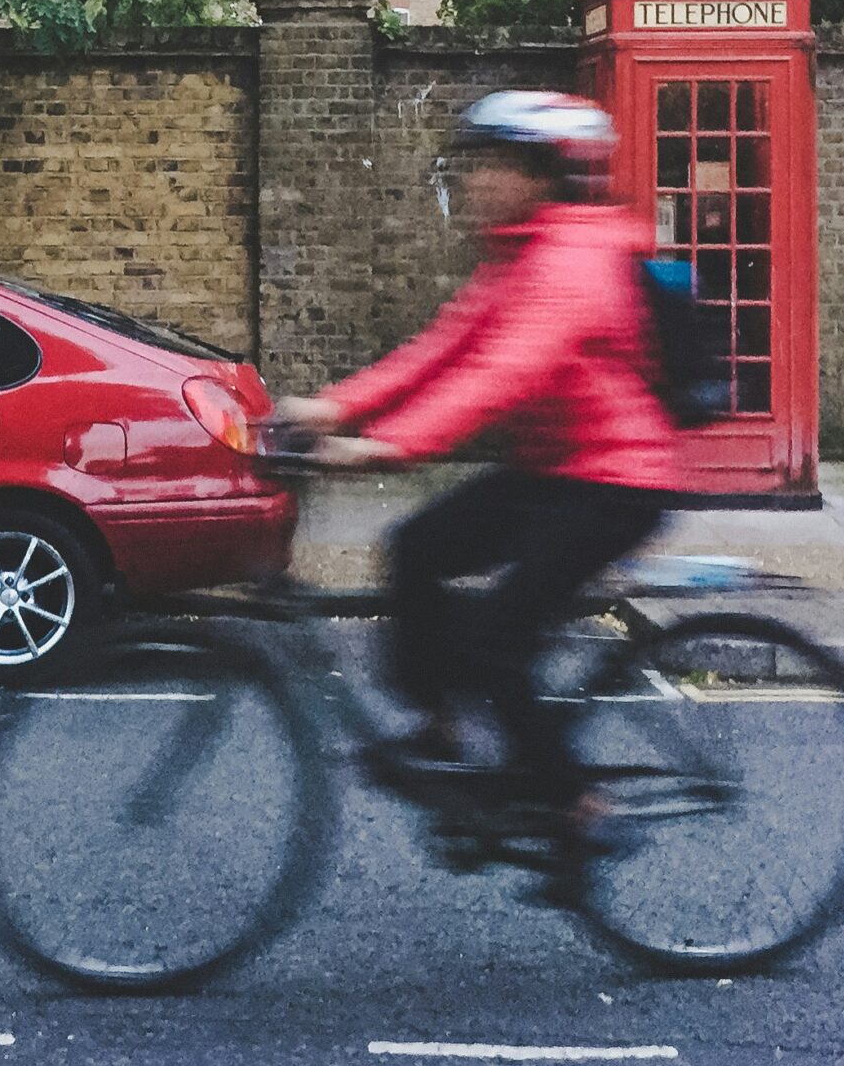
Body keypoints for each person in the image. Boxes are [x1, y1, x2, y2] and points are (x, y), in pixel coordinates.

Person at [278, 89, 682, 821]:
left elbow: (498, 377)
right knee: (417, 545)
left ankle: (578, 806)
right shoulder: (517, 255)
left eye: (490, 165)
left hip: (617, 485)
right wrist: (331, 407)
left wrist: (383, 448)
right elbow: (442, 349)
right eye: (472, 165)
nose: (472, 182)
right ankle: (440, 725)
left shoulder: (572, 262)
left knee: (498, 644)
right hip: (554, 469)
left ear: (539, 175)